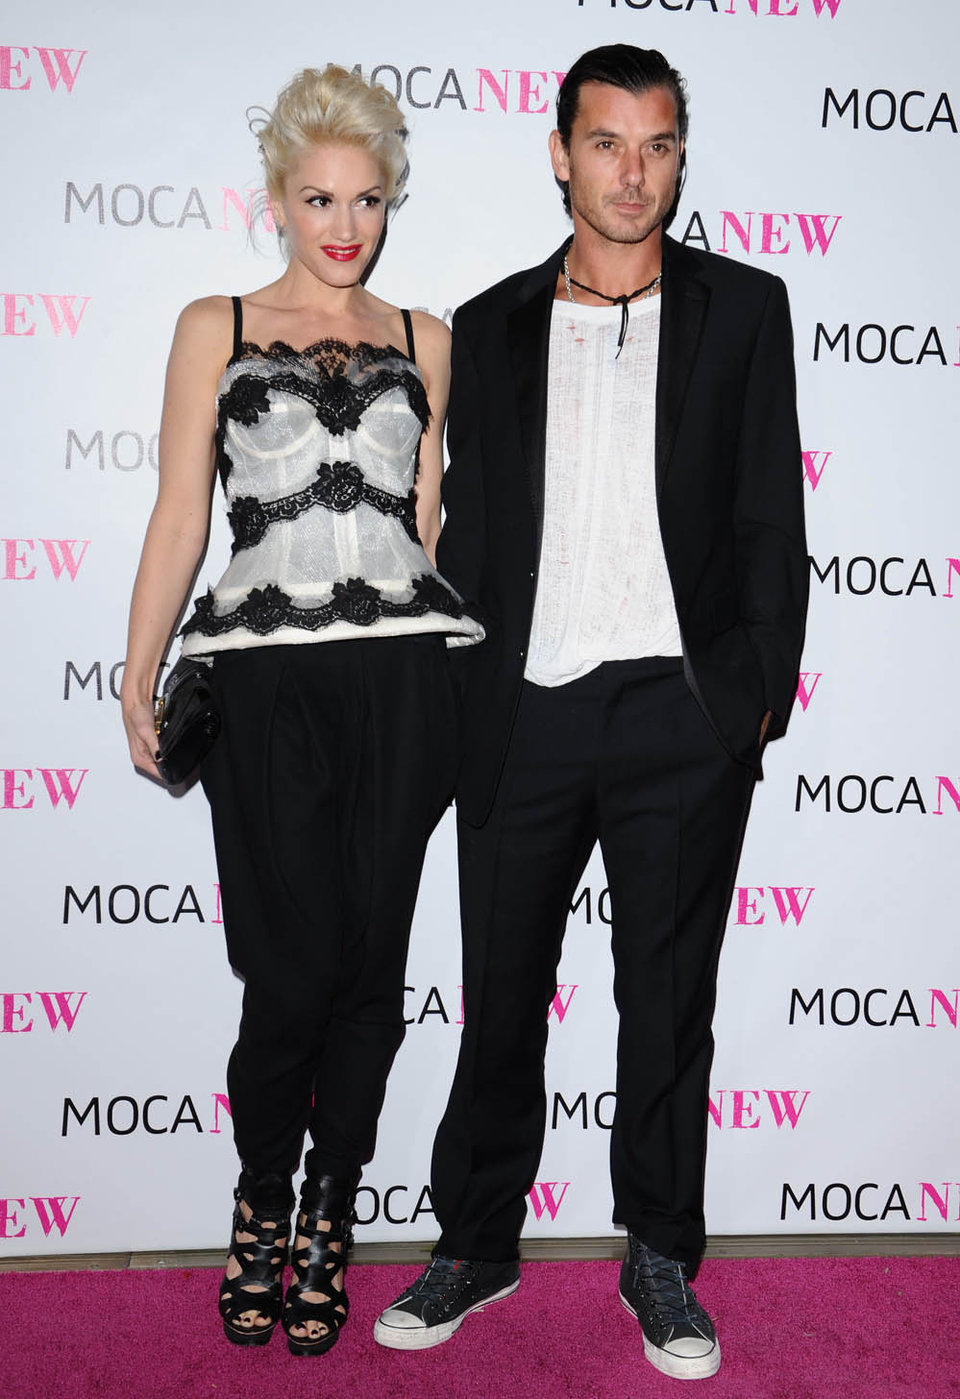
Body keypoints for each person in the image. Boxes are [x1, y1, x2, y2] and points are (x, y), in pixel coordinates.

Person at [374, 44, 807, 1380]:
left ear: (680, 158)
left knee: (668, 1005)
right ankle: (476, 1242)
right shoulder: (491, 323)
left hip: (682, 714)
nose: (634, 172)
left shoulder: (745, 309)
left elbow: (769, 518)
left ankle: (659, 1252)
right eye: (608, 143)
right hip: (526, 711)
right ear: (560, 153)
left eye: (658, 145)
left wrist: (747, 701)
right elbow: (463, 533)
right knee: (500, 994)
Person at [120, 65, 481, 1356]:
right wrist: (136, 666)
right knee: (287, 969)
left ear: (391, 202)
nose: (345, 224)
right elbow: (182, 513)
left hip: (404, 680)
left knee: (371, 970)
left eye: (367, 199)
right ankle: (261, 1200)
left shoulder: (427, 338)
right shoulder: (212, 326)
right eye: (320, 198)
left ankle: (333, 1207)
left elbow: (425, 520)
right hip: (265, 682)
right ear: (277, 197)